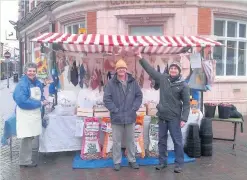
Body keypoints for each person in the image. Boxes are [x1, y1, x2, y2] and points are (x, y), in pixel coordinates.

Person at [136, 52, 190, 173]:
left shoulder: (183, 85)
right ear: (169, 70)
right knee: (161, 140)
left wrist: (184, 118)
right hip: (162, 116)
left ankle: (179, 164)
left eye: (176, 69)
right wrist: (140, 58)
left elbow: (186, 104)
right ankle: (162, 162)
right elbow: (150, 71)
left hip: (174, 117)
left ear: (179, 71)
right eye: (172, 68)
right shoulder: (163, 79)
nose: (173, 70)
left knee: (177, 141)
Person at [103, 59, 143, 171]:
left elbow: (139, 96)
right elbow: (106, 99)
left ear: (126, 69)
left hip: (130, 116)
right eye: (119, 68)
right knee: (116, 141)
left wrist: (134, 108)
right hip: (116, 117)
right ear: (116, 70)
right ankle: (116, 161)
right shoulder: (111, 83)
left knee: (131, 140)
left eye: (123, 68)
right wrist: (114, 110)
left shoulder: (133, 82)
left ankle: (132, 160)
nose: (121, 70)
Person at [13, 62, 48, 167]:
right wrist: (39, 103)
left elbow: (40, 94)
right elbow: (22, 101)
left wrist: (44, 100)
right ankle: (24, 161)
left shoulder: (37, 82)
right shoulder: (22, 84)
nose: (31, 73)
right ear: (25, 72)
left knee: (31, 136)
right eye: (29, 71)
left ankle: (28, 158)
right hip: (25, 114)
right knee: (26, 137)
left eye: (33, 71)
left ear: (36, 72)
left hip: (35, 113)